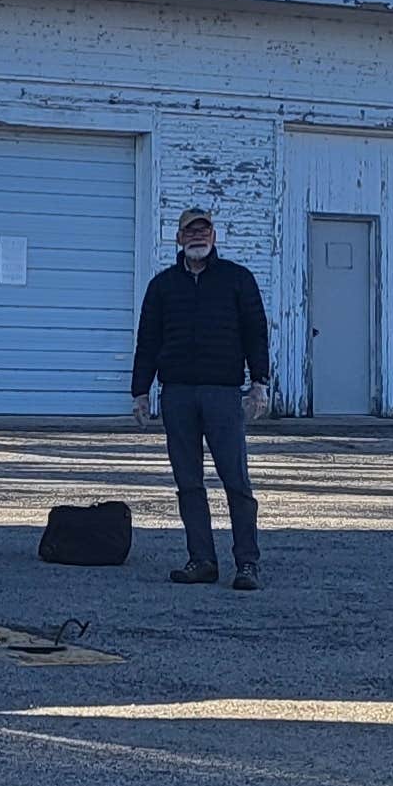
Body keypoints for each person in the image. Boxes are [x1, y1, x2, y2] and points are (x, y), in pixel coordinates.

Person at [129, 207, 270, 589]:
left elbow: (256, 333)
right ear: (178, 239)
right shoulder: (162, 287)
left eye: (203, 231)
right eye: (189, 231)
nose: (197, 237)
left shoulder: (238, 280)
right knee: (188, 482)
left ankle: (247, 564)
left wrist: (260, 383)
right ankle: (202, 560)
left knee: (236, 482)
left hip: (223, 394)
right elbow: (148, 340)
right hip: (177, 395)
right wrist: (140, 391)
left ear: (214, 237)